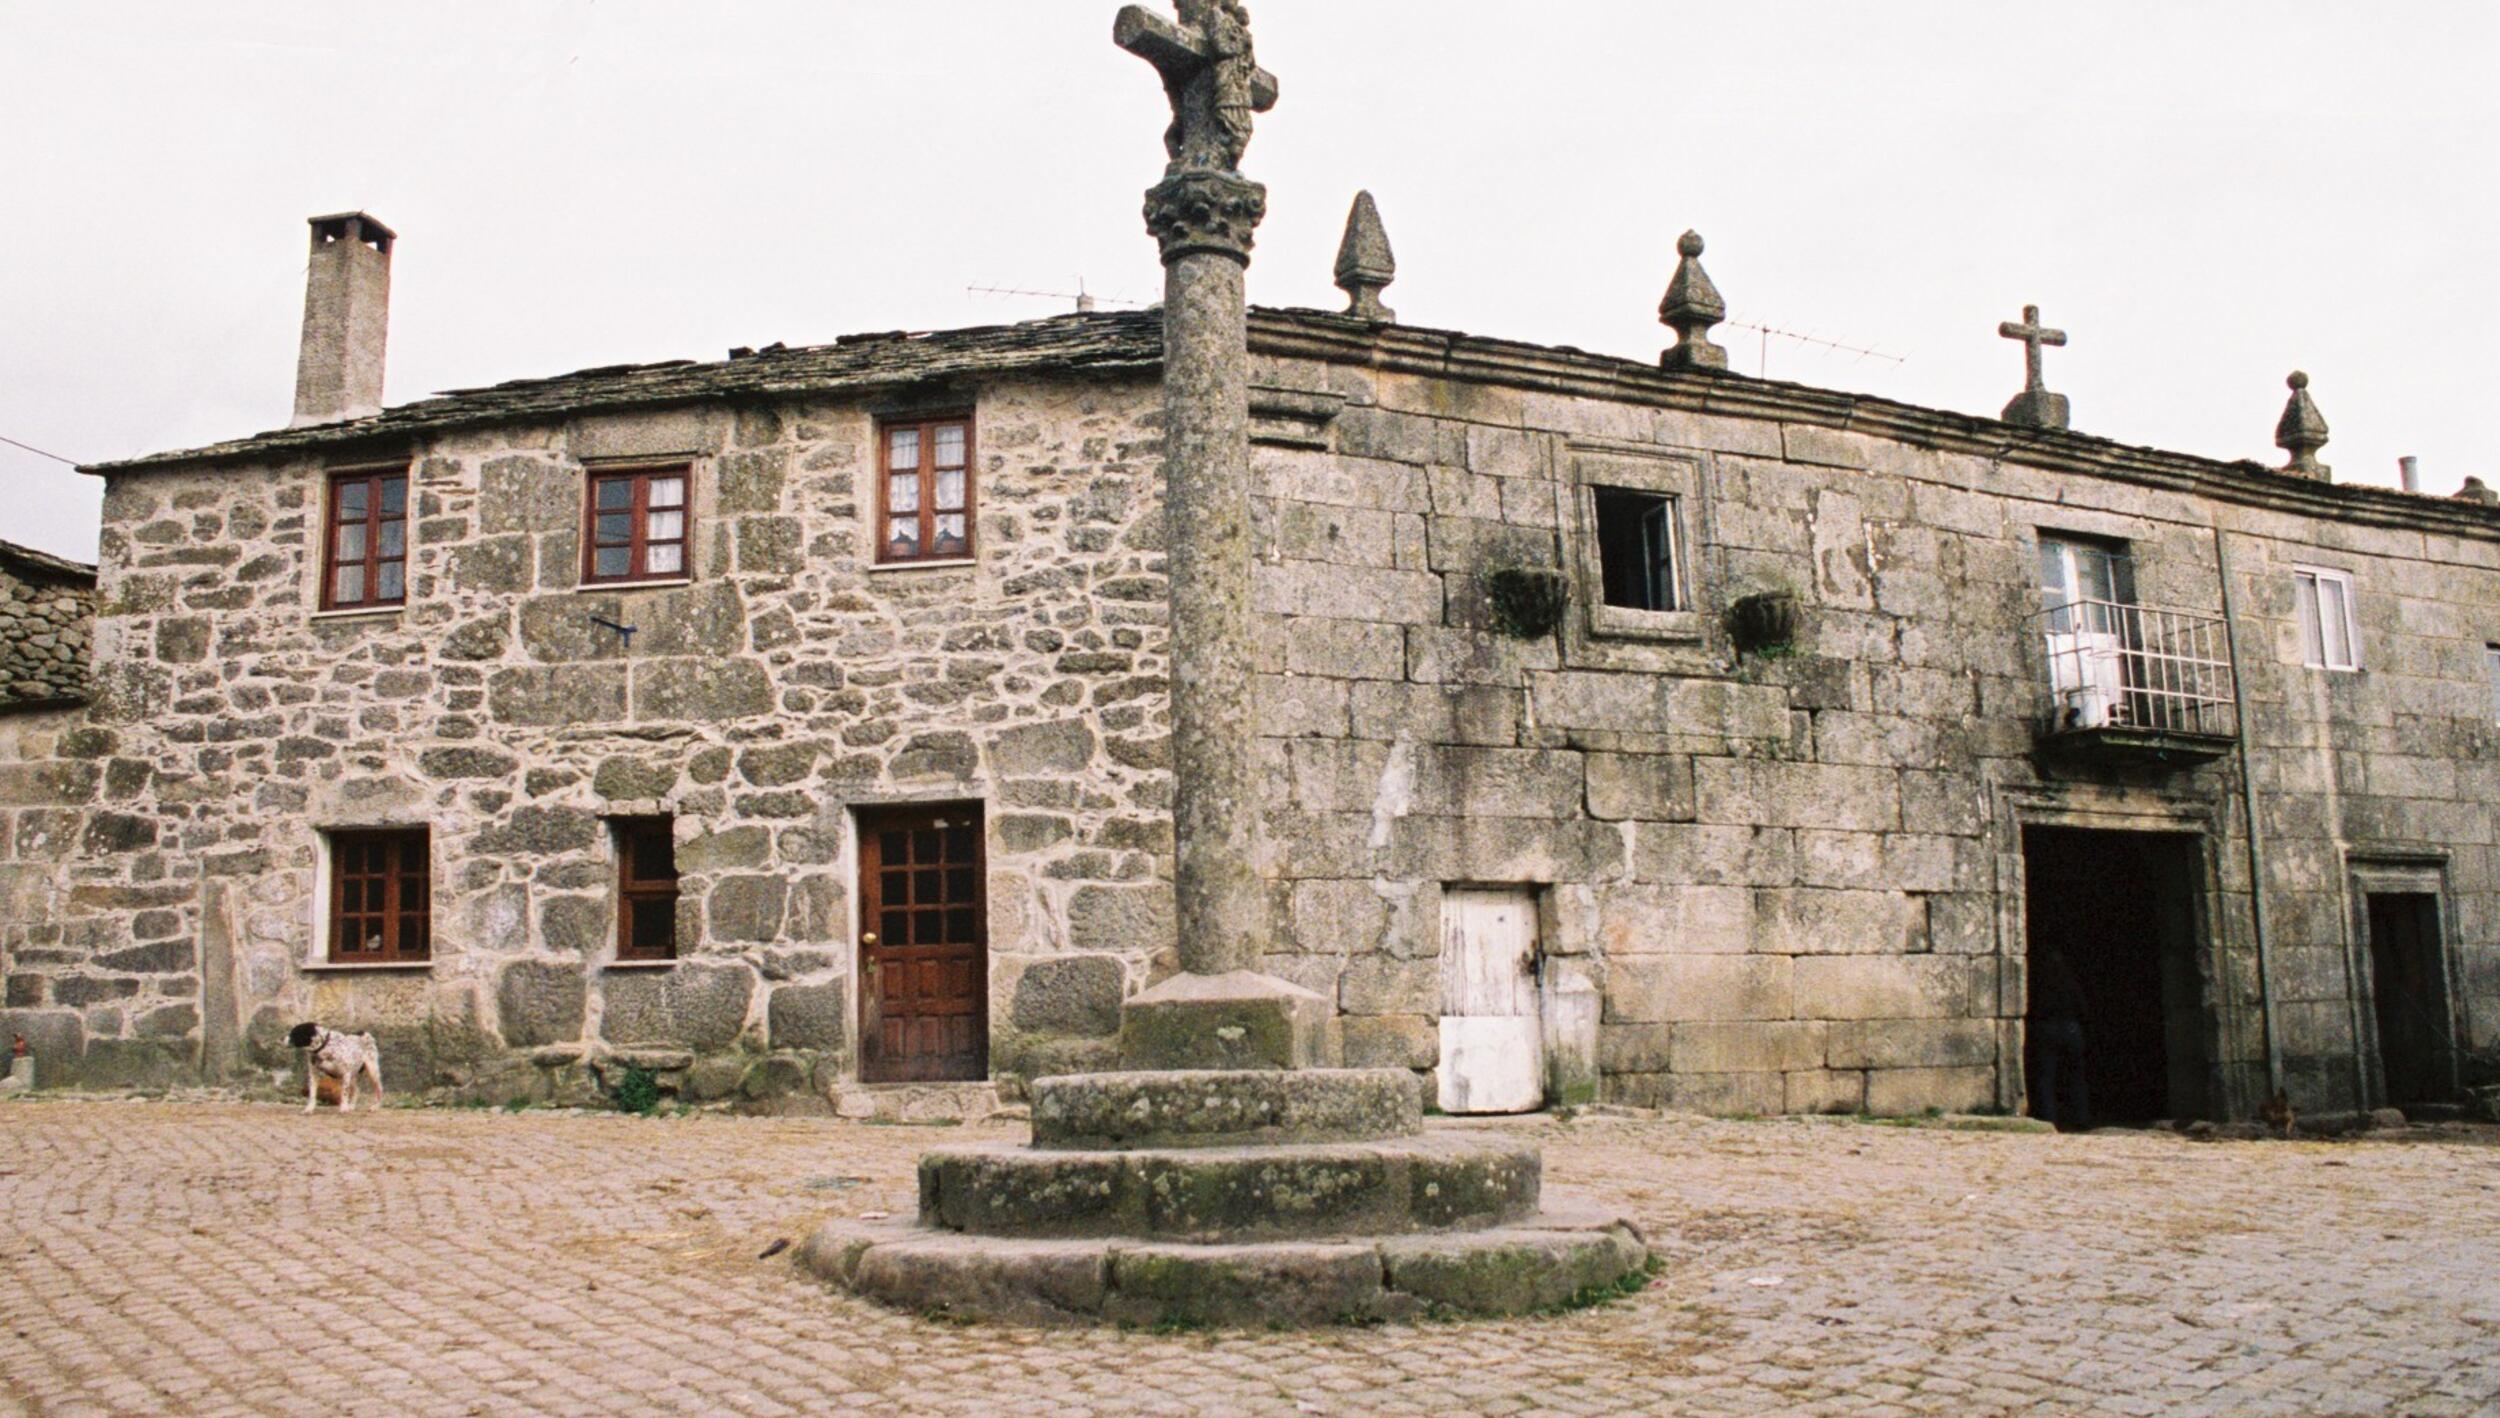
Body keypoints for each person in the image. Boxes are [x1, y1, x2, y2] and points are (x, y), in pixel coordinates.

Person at [2026, 944, 2090, 1130]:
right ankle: (2081, 1119)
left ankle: (2047, 1119)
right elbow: (2083, 1009)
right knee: (2076, 1077)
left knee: (2046, 1076)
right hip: (2071, 1029)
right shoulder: (2070, 983)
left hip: (2046, 1028)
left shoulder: (2038, 984)